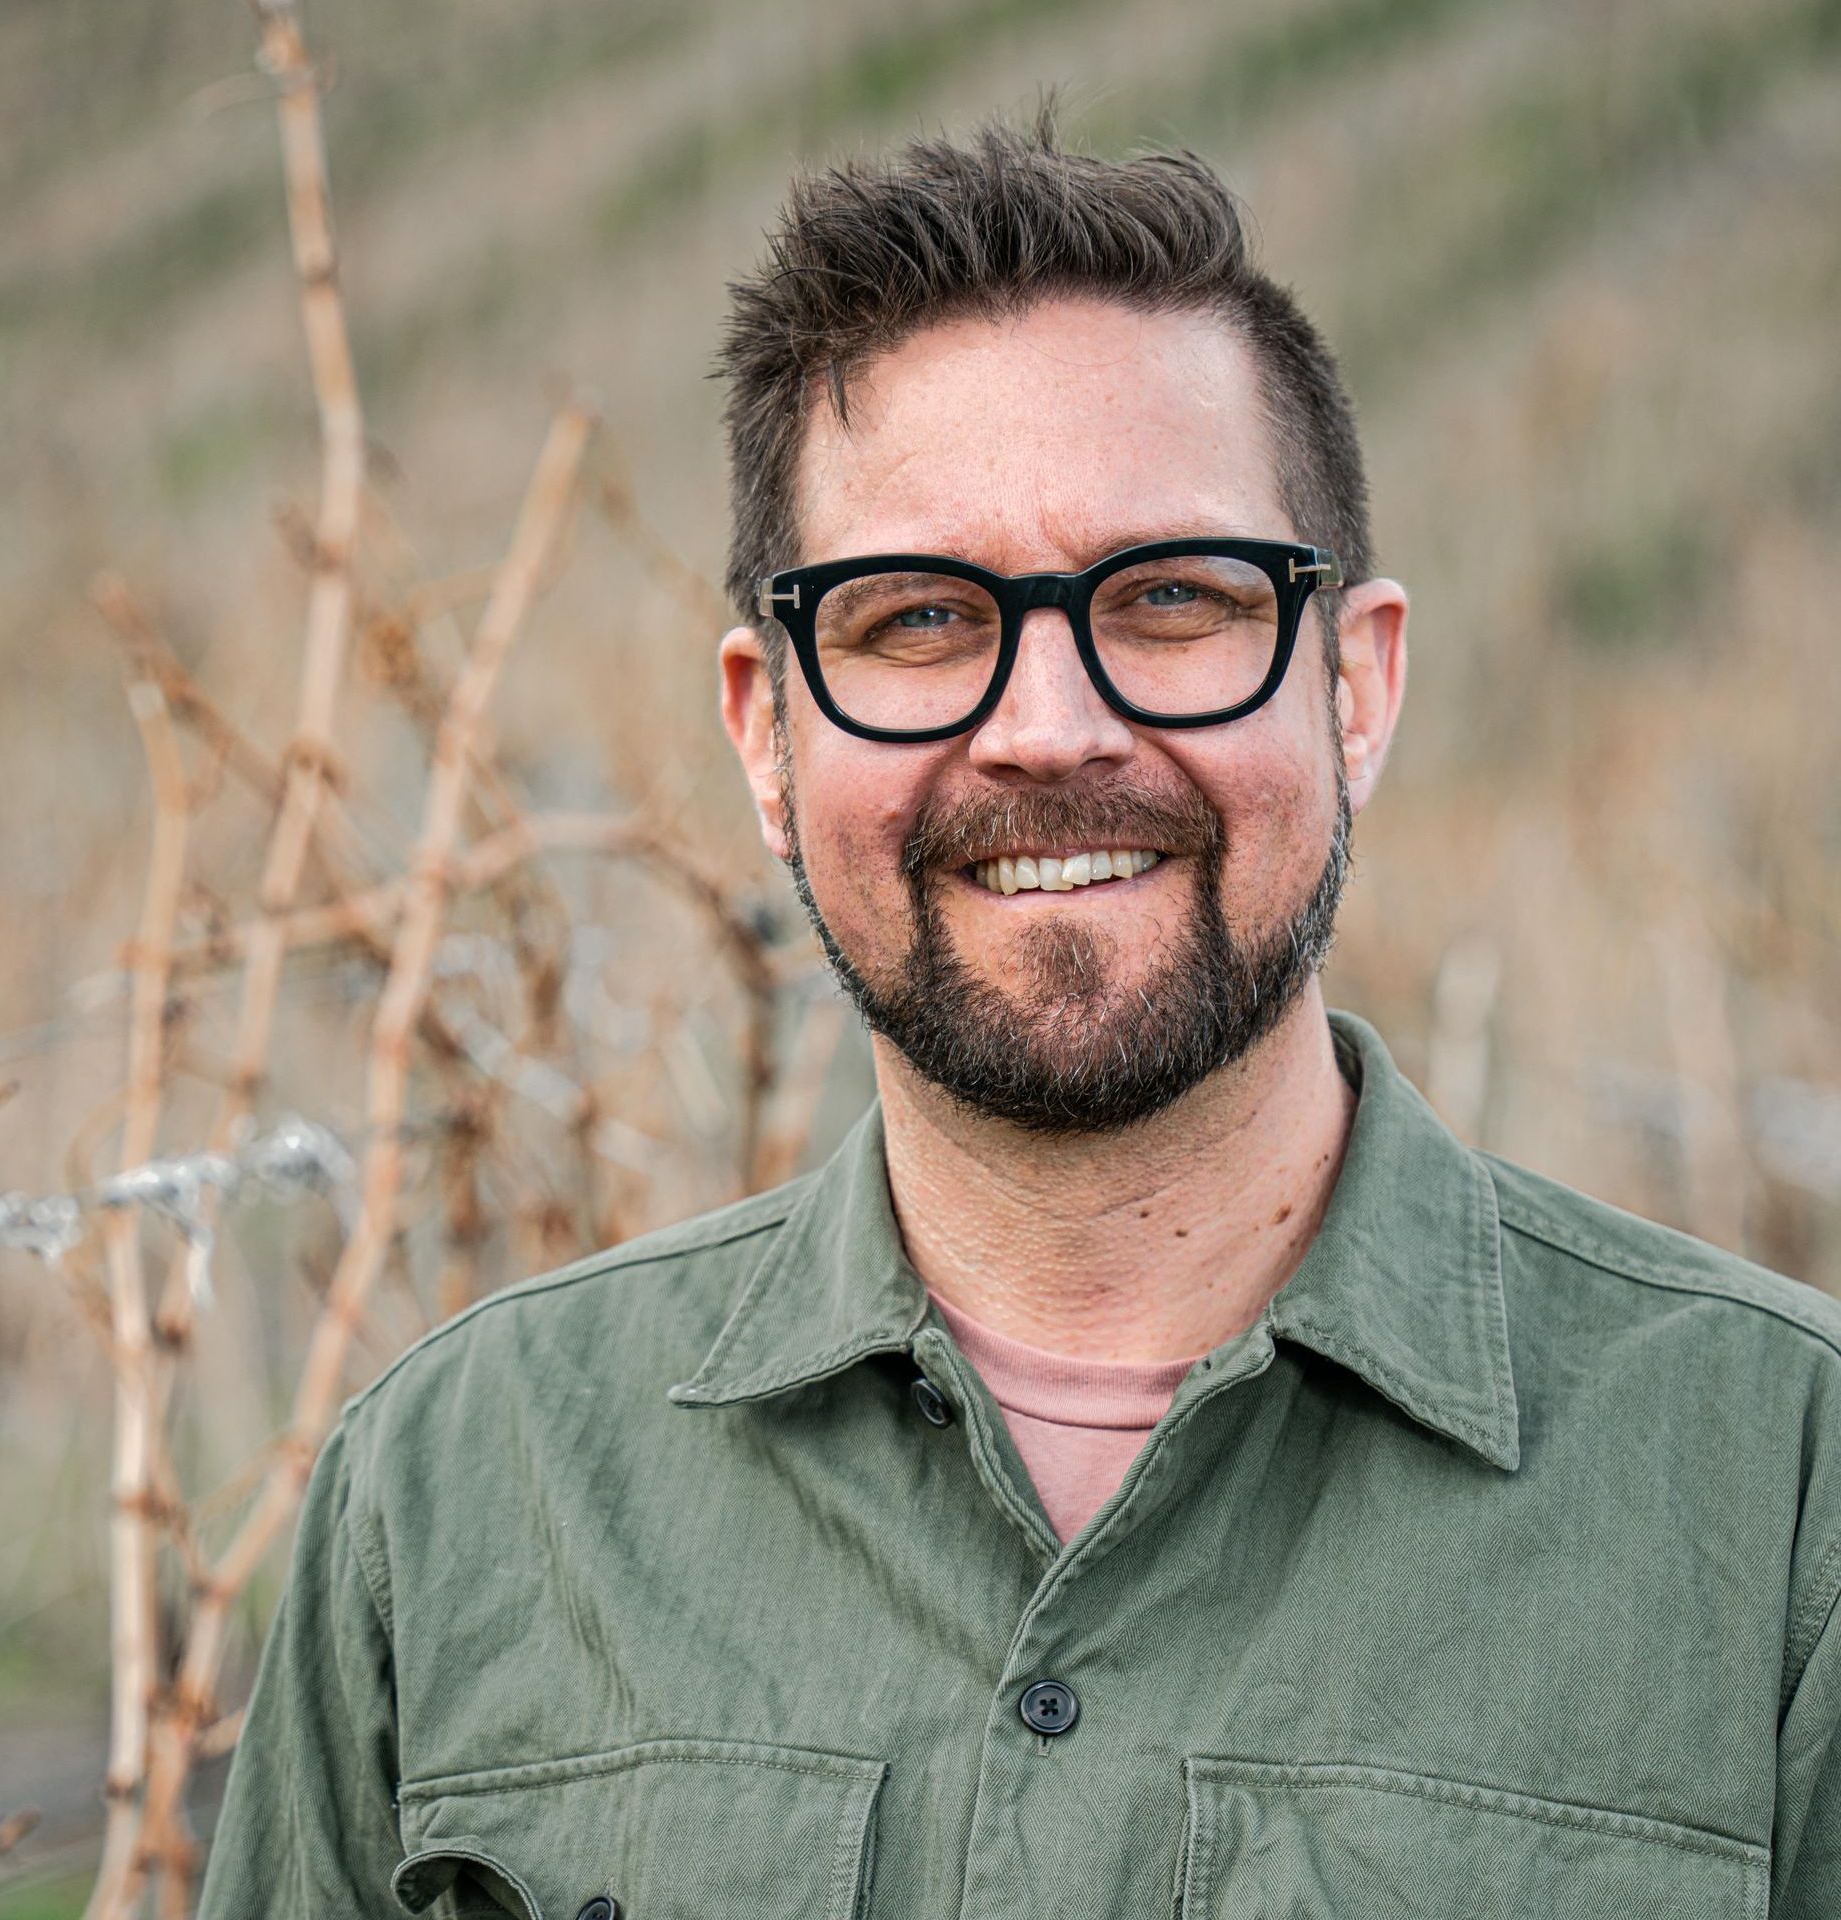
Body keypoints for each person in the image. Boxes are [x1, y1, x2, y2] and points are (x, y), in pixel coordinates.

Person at [198, 105, 1841, 1919]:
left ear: (1357, 686)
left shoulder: (1782, 1498)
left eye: (1173, 599)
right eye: (914, 620)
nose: (1049, 725)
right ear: (766, 729)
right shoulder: (452, 1497)